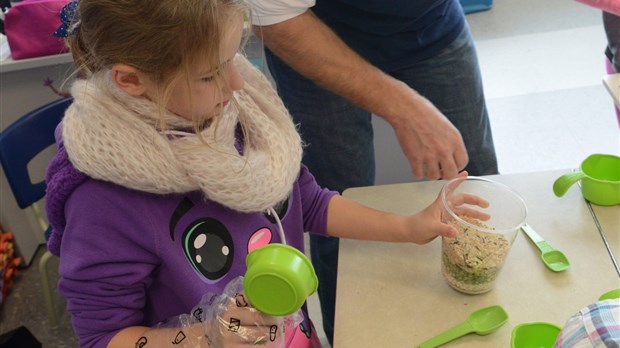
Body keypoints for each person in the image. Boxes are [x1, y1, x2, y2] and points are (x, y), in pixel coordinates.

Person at [44, 0, 489, 347]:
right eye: (209, 74)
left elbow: (308, 202)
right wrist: (208, 337)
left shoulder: (235, 116)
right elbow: (104, 337)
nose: (238, 84)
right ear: (131, 81)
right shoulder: (103, 202)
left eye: (235, 58)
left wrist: (408, 228)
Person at [245, 1, 499, 344]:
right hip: (312, 31)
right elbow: (276, 19)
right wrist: (404, 109)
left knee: (481, 192)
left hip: (431, 24)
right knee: (339, 225)